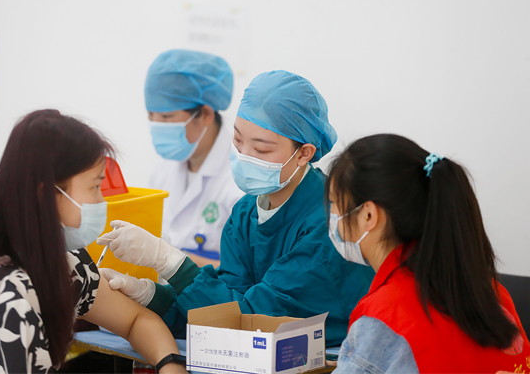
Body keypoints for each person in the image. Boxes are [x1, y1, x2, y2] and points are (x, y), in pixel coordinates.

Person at [97, 70, 375, 346]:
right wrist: (150, 296)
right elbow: (223, 308)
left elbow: (252, 320)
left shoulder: (327, 222)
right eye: (238, 141)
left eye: (261, 150)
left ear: (304, 153)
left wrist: (169, 262)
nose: (244, 156)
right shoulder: (245, 213)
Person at [0, 110, 187, 374]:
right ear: (48, 194)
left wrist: (170, 364)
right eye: (95, 187)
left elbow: (136, 320)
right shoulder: (8, 295)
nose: (101, 201)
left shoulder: (67, 264)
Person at [324, 134, 530, 373]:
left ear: (369, 215)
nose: (332, 216)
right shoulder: (489, 290)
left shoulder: (385, 317)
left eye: (334, 203)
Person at [145, 49, 243, 268]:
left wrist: (167, 260)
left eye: (166, 117)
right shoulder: (164, 167)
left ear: (206, 115)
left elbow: (245, 272)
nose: (157, 126)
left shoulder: (240, 178)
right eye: (151, 116)